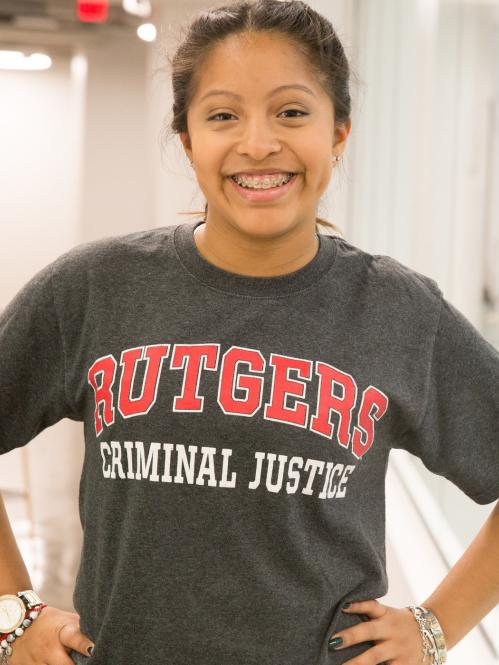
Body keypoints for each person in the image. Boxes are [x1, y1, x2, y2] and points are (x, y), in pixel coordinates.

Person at [0, 0, 498, 664]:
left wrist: (436, 625)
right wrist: (11, 611)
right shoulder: (95, 287)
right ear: (187, 139)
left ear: (339, 132)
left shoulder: (397, 311)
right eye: (222, 115)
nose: (258, 143)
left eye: (291, 112)